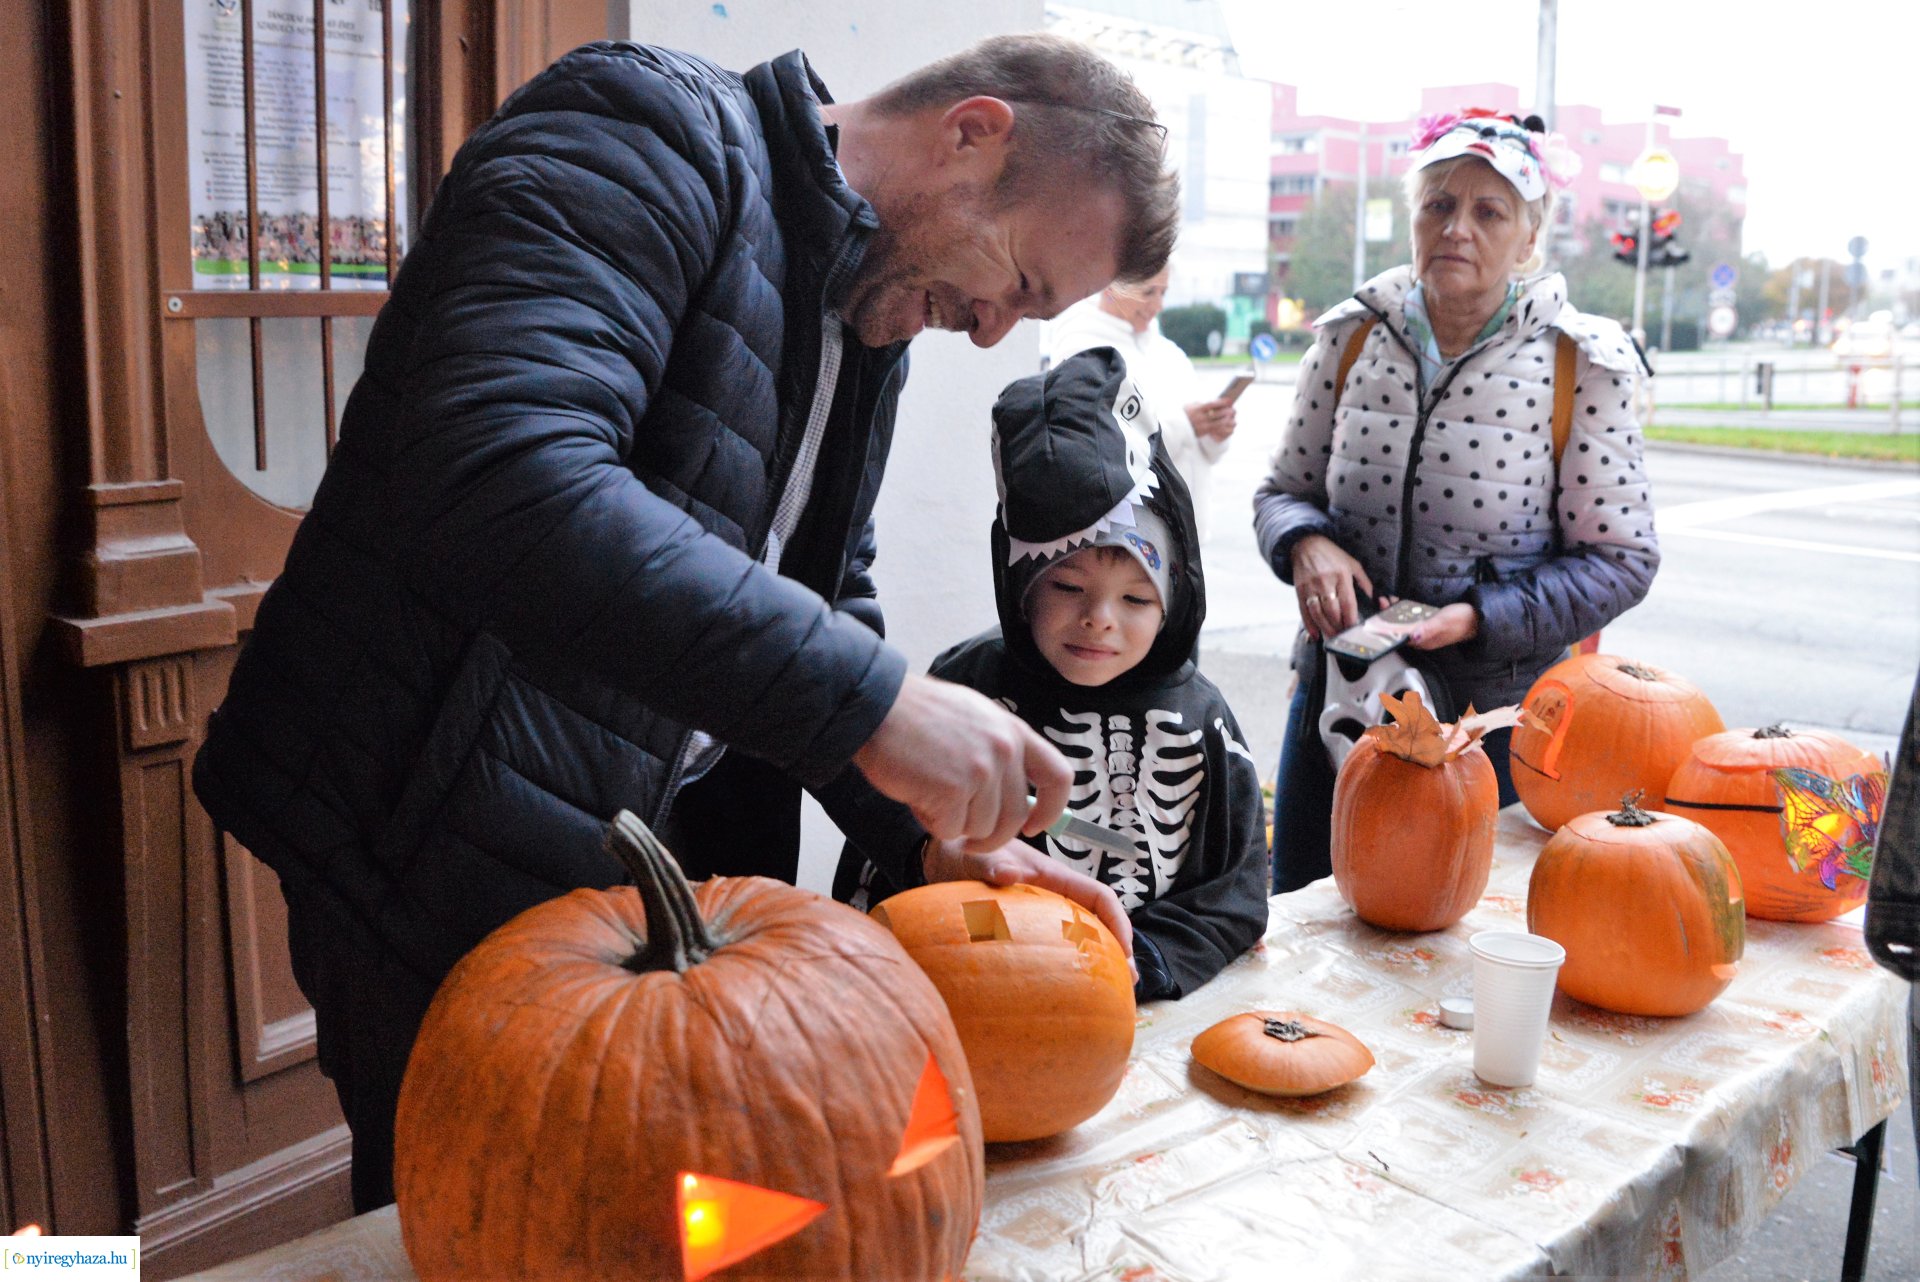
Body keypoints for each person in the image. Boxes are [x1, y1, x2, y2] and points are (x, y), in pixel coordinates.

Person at [191, 34, 1179, 1211]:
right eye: (1019, 280)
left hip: (618, 863)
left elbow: (818, 588)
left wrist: (913, 820)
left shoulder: (867, 308)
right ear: (971, 133)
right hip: (427, 836)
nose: (987, 331)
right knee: (482, 1220)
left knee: (641, 1220)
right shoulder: (641, 130)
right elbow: (505, 474)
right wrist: (877, 707)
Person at [1254, 109, 1660, 893]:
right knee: (1307, 914)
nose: (1457, 228)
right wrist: (1306, 542)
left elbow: (1622, 560)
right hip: (1341, 695)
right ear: (1412, 219)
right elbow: (1282, 493)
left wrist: (1479, 618)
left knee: (1455, 935)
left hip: (1489, 720)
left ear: (1529, 238)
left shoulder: (1583, 365)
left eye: (1488, 211)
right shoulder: (1349, 340)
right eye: (1438, 204)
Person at [830, 348, 1269, 1000]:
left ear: (1176, 597)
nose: (1099, 620)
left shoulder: (1205, 721)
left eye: (1137, 599)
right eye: (1066, 586)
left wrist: (1139, 962)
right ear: (1019, 588)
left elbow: (1235, 895)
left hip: (1139, 1003)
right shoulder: (964, 688)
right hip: (973, 992)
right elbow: (880, 860)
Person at [1044, 267, 1237, 540]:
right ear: (1110, 287)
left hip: (1178, 540)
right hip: (1121, 541)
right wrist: (1185, 425)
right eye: (1148, 292)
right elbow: (1099, 448)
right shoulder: (1083, 351)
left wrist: (1215, 432)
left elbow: (1201, 446)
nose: (1158, 306)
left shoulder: (1169, 353)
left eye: (1163, 292)